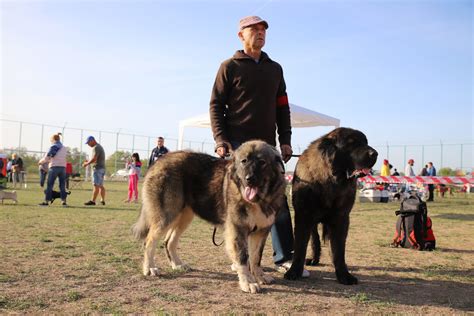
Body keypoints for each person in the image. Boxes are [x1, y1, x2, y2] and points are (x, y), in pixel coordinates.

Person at [209, 15, 308, 277]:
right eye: (254, 29)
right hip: (238, 146)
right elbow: (216, 105)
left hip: (268, 147)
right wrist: (221, 139)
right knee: (239, 204)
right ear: (241, 35)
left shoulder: (275, 69)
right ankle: (240, 257)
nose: (260, 33)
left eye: (263, 29)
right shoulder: (228, 66)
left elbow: (282, 106)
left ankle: (284, 257)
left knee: (277, 201)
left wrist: (285, 140)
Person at [38, 133, 68, 206]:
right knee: (62, 185)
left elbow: (47, 158)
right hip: (63, 168)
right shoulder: (64, 148)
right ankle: (63, 201)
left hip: (54, 167)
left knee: (50, 185)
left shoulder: (53, 147)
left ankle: (47, 201)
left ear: (53, 139)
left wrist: (40, 162)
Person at [83, 136, 106, 206]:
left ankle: (93, 201)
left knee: (96, 185)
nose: (88, 145)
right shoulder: (99, 147)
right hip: (102, 168)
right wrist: (89, 162)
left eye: (88, 143)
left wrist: (86, 163)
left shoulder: (96, 147)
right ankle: (102, 200)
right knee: (101, 185)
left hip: (97, 169)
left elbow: (94, 158)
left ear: (92, 140)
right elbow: (95, 158)